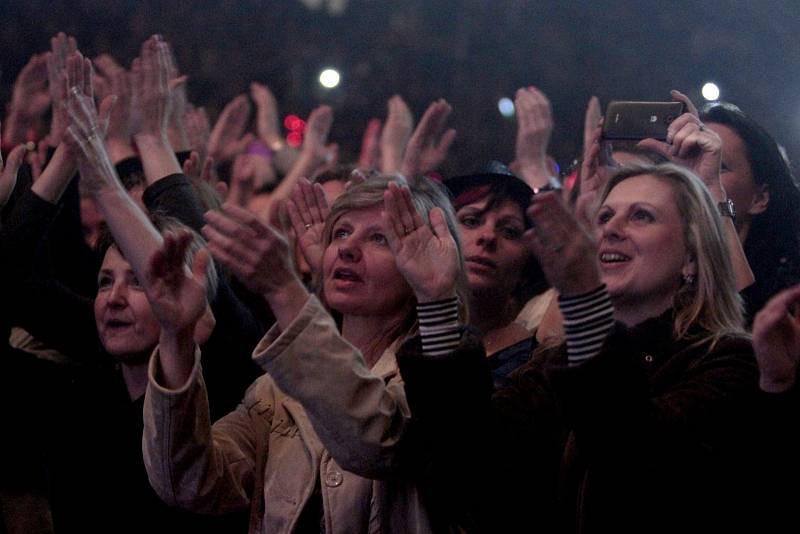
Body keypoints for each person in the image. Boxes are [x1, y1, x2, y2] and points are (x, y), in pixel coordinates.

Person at [402, 163, 760, 532]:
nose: (611, 230)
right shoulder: (556, 363)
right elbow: (469, 459)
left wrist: (584, 300)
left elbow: (634, 463)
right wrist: (439, 303)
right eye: (604, 216)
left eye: (641, 216)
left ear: (691, 255)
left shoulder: (731, 363)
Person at [141, 173, 480, 533]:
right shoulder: (276, 391)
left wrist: (283, 287)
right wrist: (176, 336)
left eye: (380, 238)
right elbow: (189, 483)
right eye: (341, 232)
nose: (347, 248)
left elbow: (374, 444)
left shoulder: (435, 385)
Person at [445, 163, 550, 387]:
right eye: (471, 221)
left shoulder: (535, 361)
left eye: (510, 231)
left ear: (528, 266)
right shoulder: (397, 331)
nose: (488, 236)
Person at [700, 102, 800, 319]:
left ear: (760, 198)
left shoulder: (787, 292)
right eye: (687, 160)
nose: (696, 174)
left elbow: (742, 329)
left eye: (718, 165)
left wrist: (718, 203)